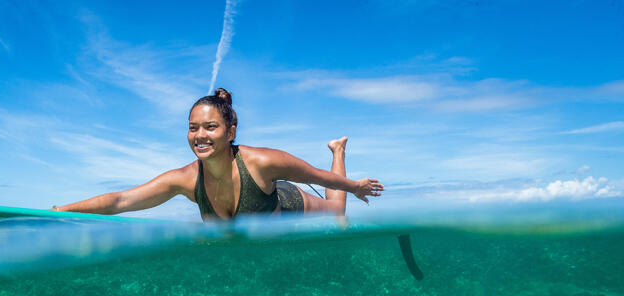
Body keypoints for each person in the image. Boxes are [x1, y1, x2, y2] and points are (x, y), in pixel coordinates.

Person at [53, 88, 384, 220]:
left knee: (338, 212)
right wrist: (62, 211)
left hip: (284, 199)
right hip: (258, 229)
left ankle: (337, 148)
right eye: (193, 127)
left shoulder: (264, 160)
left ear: (231, 131)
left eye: (210, 127)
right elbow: (121, 201)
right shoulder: (183, 180)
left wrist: (354, 187)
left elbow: (316, 177)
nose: (199, 135)